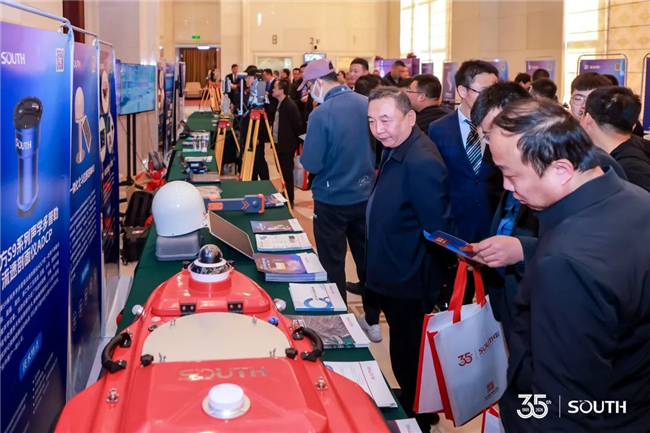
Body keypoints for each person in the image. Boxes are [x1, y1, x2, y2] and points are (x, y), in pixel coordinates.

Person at [488, 98, 650, 432]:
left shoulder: (564, 264)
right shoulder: (637, 200)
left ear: (561, 170)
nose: (505, 185)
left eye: (510, 174)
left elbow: (563, 407)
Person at [469, 83, 626, 345]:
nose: (492, 141)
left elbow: (601, 248)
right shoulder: (514, 161)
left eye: (496, 130)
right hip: (513, 292)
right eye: (486, 135)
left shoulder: (592, 167)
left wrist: (522, 249)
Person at [366, 87, 453, 431]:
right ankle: (414, 401)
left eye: (386, 120)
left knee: (410, 351)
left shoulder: (421, 161)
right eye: (372, 121)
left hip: (409, 278)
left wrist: (437, 282)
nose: (378, 129)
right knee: (403, 347)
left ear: (410, 116)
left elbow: (437, 229)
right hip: (392, 272)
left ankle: (418, 417)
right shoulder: (396, 147)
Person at [299, 59, 376, 307]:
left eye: (309, 86)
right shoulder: (366, 103)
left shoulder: (321, 113)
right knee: (366, 259)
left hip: (331, 201)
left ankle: (339, 316)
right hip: (364, 195)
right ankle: (372, 317)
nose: (309, 92)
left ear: (318, 82)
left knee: (332, 263)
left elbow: (312, 164)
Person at [428, 60, 501, 306]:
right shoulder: (438, 129)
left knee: (494, 306)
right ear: (462, 91)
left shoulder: (503, 126)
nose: (491, 98)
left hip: (493, 230)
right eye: (485, 91)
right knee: (456, 304)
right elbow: (436, 183)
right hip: (456, 232)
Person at [582, 86, 650, 192]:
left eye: (581, 113)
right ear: (633, 126)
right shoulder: (641, 148)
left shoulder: (629, 169)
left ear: (588, 119)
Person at [271, 79, 304, 206]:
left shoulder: (290, 105)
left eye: (275, 87)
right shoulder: (280, 103)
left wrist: (295, 143)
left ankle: (289, 198)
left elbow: (297, 126)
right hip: (279, 143)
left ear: (281, 90)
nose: (272, 90)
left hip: (286, 145)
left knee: (287, 172)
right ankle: (285, 194)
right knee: (282, 171)